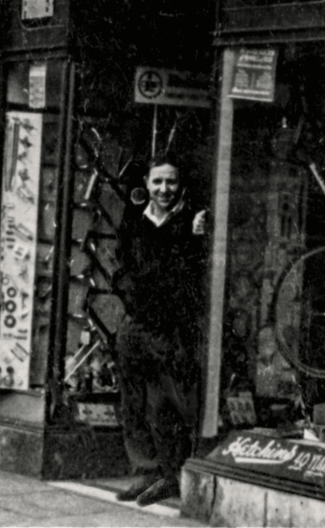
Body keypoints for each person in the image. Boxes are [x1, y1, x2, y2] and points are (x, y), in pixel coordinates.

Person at [113, 155, 208, 507]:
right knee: (133, 402)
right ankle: (146, 469)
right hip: (136, 324)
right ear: (148, 185)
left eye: (170, 182)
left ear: (180, 185)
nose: (164, 189)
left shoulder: (188, 223)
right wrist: (133, 298)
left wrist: (195, 237)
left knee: (164, 403)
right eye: (157, 182)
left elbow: (188, 277)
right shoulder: (135, 221)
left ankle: (170, 474)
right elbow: (122, 267)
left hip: (169, 330)